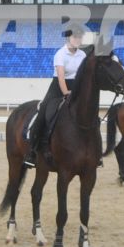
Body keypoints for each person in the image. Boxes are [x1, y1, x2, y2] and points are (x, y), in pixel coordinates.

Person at [28, 27, 87, 156]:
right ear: (68, 38)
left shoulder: (82, 55)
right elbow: (61, 77)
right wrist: (66, 93)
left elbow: (83, 76)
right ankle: (33, 149)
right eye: (75, 37)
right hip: (58, 88)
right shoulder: (60, 54)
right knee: (44, 111)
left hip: (76, 87)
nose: (78, 39)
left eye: (80, 37)